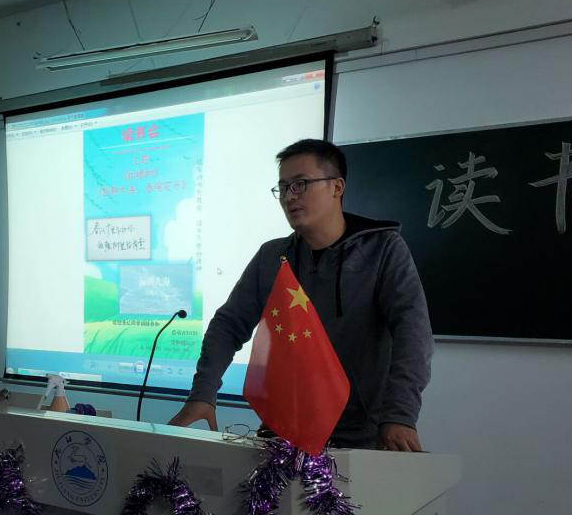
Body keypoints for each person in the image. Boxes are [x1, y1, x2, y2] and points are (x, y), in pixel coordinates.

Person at [169, 139, 433, 451]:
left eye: (301, 184)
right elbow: (228, 325)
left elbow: (412, 333)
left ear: (336, 187)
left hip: (361, 438)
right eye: (283, 188)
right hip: (282, 435)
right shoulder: (272, 256)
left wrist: (400, 415)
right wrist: (202, 394)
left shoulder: (383, 250)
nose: (290, 196)